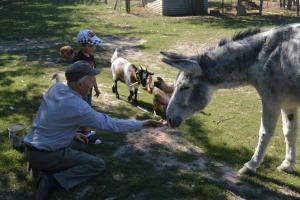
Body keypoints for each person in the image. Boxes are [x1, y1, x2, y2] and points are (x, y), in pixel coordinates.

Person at [24, 61, 166, 200]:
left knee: (81, 144)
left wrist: (73, 134)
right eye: (91, 80)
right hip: (45, 155)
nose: (93, 84)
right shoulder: (79, 107)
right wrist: (144, 124)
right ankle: (51, 180)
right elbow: (112, 124)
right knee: (97, 164)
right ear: (80, 85)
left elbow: (52, 119)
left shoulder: (57, 88)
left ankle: (40, 166)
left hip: (31, 148)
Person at [72, 28, 101, 105]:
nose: (93, 48)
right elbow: (72, 77)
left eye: (94, 45)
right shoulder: (77, 59)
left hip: (89, 88)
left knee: (88, 106)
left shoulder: (91, 58)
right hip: (79, 90)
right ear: (81, 45)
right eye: (90, 46)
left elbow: (92, 75)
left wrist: (96, 88)